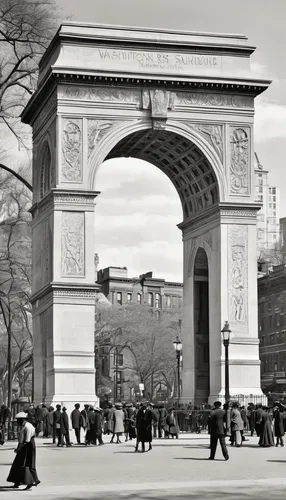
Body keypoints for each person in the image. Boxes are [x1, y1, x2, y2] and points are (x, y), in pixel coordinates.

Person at [7, 412, 40, 490]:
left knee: (26, 464)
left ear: (22, 420)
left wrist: (20, 448)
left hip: (28, 446)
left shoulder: (27, 427)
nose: (17, 422)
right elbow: (21, 440)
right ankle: (17, 482)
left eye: (18, 420)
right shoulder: (23, 426)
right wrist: (18, 448)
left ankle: (31, 482)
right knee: (17, 464)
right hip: (24, 446)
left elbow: (27, 440)